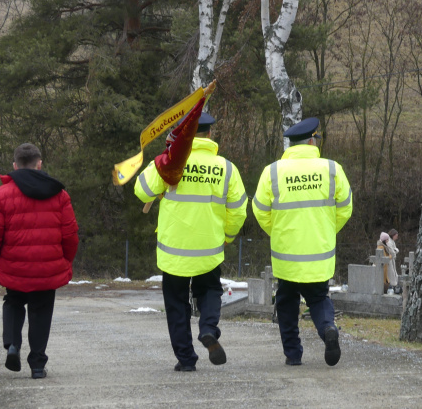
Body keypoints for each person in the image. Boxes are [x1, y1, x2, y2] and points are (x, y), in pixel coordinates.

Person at [134, 112, 247, 372]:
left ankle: (186, 359)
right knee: (209, 292)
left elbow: (141, 191)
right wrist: (227, 236)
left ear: (183, 133)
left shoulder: (168, 162)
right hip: (208, 249)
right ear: (209, 134)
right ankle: (208, 329)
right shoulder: (226, 168)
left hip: (173, 252)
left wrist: (161, 163)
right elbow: (239, 210)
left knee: (176, 305)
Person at [252, 117, 353, 367]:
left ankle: (293, 355)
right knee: (319, 298)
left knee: (286, 303)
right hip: (319, 252)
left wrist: (278, 232)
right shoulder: (332, 169)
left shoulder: (273, 171)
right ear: (312, 141)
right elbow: (346, 208)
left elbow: (259, 210)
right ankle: (328, 328)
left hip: (287, 255)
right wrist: (327, 230)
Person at [0, 143, 78, 379]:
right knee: (41, 310)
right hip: (47, 267)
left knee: (13, 302)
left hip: (14, 266)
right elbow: (70, 234)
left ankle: (12, 345)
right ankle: (37, 365)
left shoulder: (0, 196)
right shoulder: (60, 194)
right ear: (39, 164)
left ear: (15, 166)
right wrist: (64, 259)